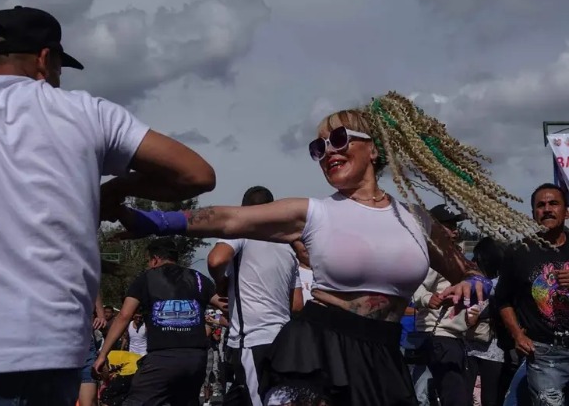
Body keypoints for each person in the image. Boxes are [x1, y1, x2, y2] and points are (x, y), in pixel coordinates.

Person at [110, 92, 542, 405]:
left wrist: (472, 282)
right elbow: (229, 219)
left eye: (338, 139)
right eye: (319, 148)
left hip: (384, 352)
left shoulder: (417, 220)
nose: (327, 153)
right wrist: (150, 220)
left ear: (374, 149)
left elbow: (467, 271)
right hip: (320, 348)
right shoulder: (315, 212)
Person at [0, 5, 216, 406]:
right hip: (52, 347)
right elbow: (196, 174)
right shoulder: (87, 112)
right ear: (45, 60)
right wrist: (115, 190)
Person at [93, 238, 222, 406]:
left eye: (148, 260)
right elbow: (223, 304)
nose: (148, 265)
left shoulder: (146, 279)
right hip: (195, 359)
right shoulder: (198, 278)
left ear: (155, 259)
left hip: (163, 358)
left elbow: (124, 316)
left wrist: (103, 354)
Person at [206, 186, 303, 406]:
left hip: (252, 339)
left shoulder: (243, 233)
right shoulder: (287, 247)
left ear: (244, 210)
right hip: (283, 340)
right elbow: (297, 304)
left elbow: (215, 259)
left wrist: (221, 285)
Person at [497, 183, 569, 406]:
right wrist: (517, 335)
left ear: (566, 211)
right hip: (544, 353)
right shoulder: (519, 252)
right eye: (541, 205)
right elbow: (502, 300)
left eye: (553, 203)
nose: (547, 209)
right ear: (533, 214)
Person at [412, 204, 471, 406]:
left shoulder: (453, 255)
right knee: (453, 398)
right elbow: (414, 284)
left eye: (455, 225)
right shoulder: (434, 256)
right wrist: (427, 298)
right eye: (449, 225)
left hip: (453, 336)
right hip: (439, 336)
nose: (455, 230)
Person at [464, 237, 508, 406]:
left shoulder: (500, 283)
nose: (474, 262)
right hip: (471, 345)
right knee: (468, 395)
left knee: (490, 397)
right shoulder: (471, 281)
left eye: (477, 258)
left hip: (493, 348)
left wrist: (479, 315)